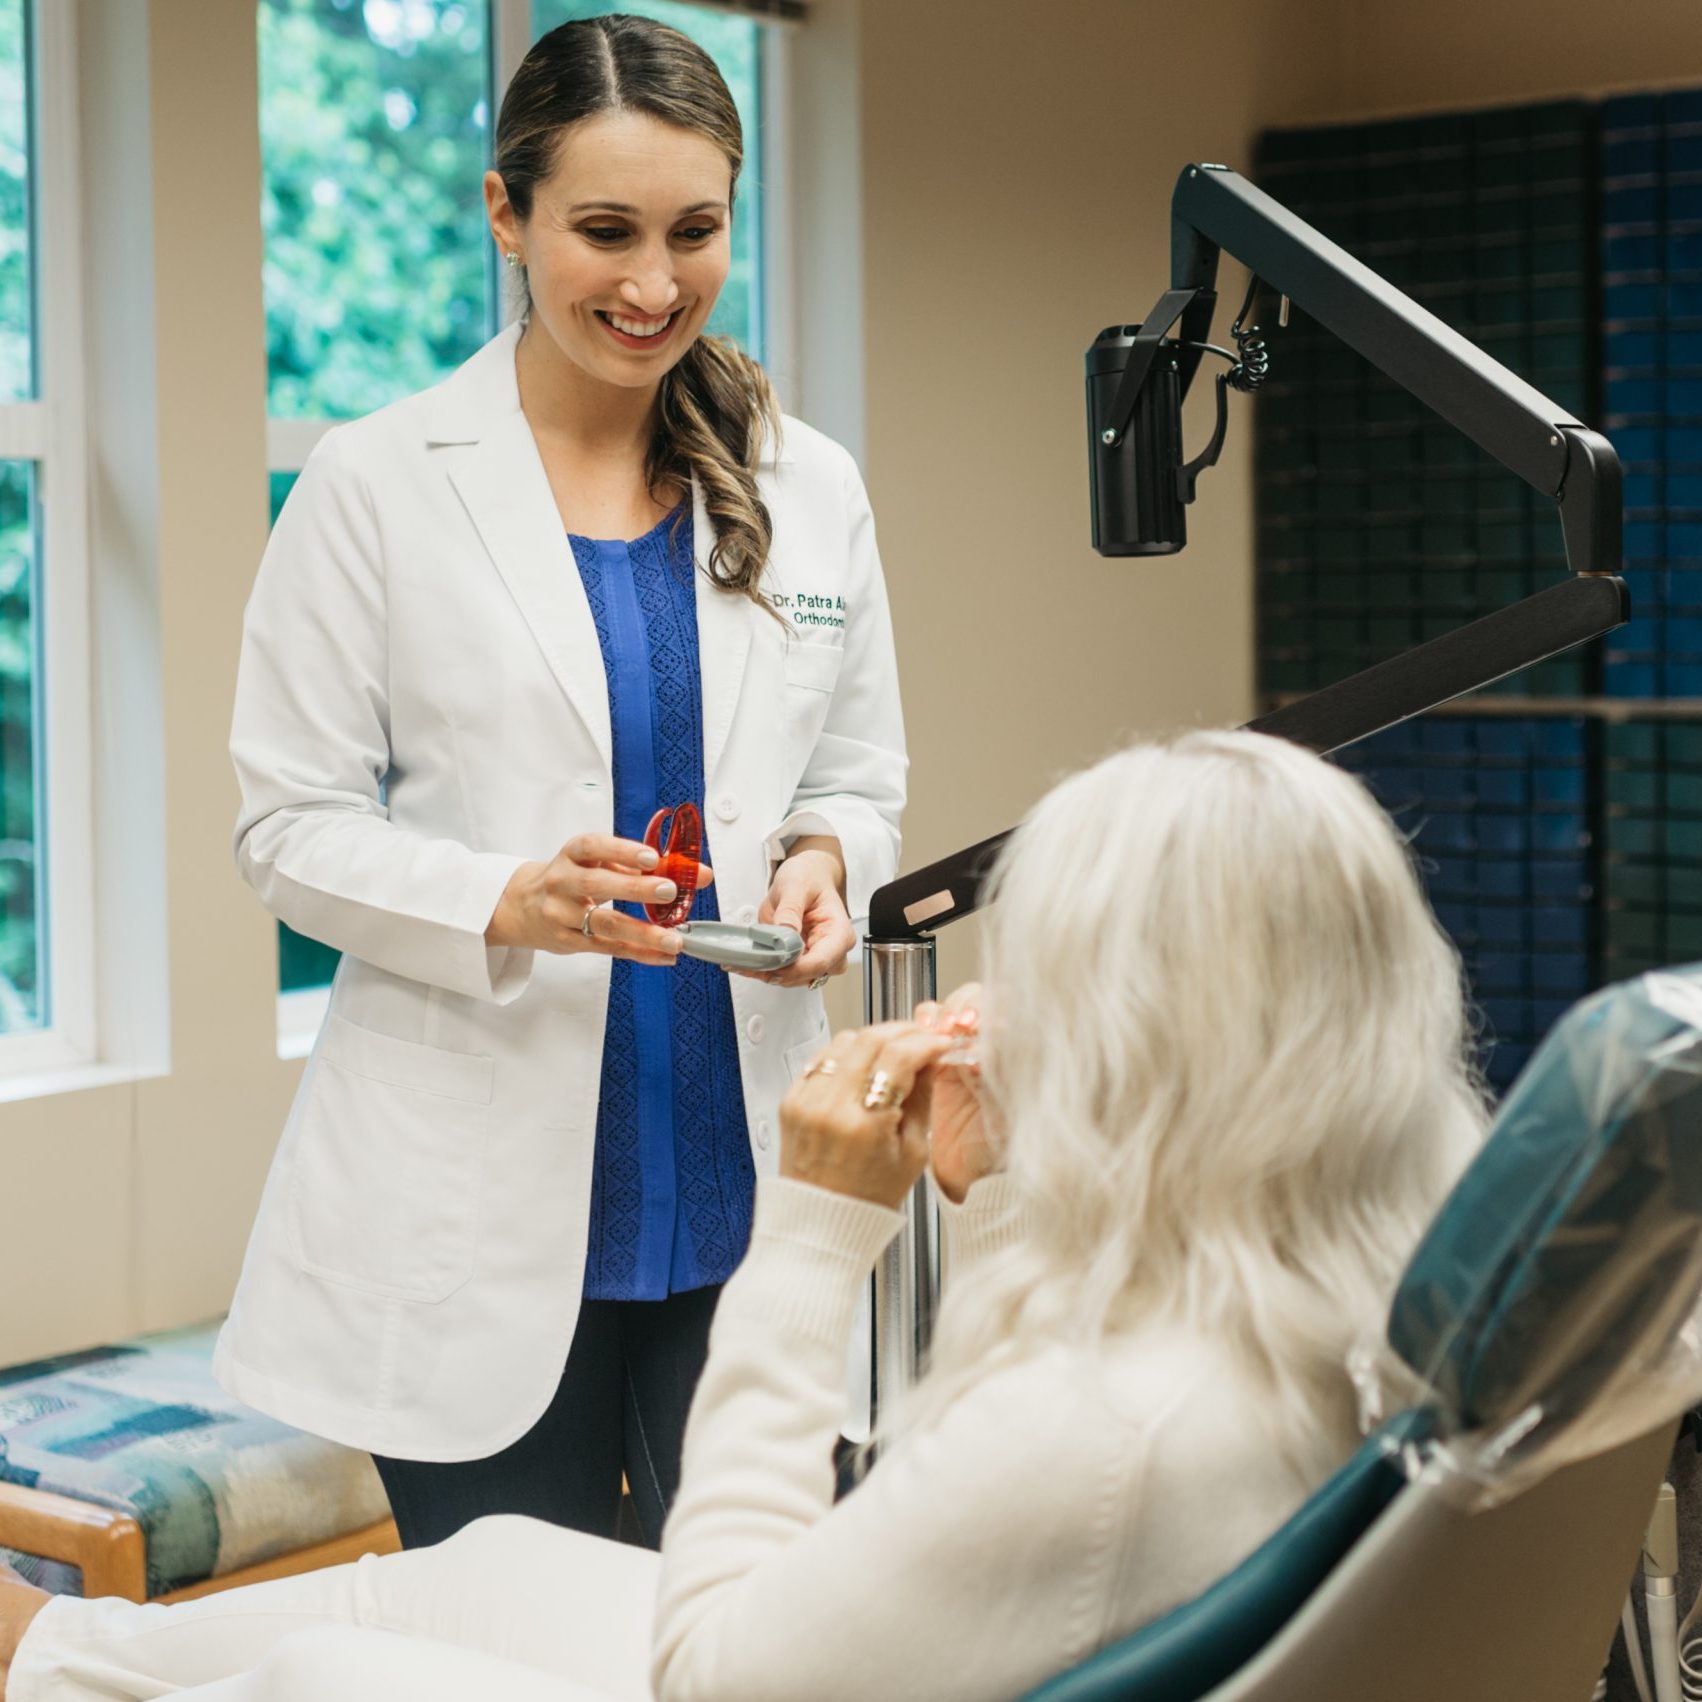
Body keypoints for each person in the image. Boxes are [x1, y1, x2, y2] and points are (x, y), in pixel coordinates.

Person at [0, 730, 1489, 1702]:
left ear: (1141, 1045)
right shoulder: (1384, 1281)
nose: (990, 1005)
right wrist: (1018, 1168)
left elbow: (717, 1671)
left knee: (322, 1673)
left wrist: (818, 1226)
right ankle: (54, 1653)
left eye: (1040, 978)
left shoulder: (1098, 1432)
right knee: (479, 1567)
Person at [212, 14, 907, 1552]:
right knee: (505, 1657)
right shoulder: (379, 484)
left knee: (761, 1643)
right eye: (604, 231)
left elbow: (854, 777)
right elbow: (286, 824)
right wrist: (501, 897)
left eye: (694, 231)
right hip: (473, 1216)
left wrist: (822, 861)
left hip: (743, 1198)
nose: (653, 285)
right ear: (505, 213)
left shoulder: (810, 485)